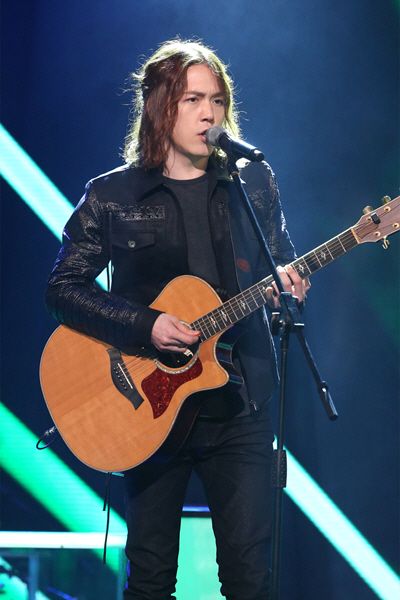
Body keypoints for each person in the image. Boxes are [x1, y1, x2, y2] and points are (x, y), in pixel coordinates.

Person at [45, 39, 310, 600]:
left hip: (239, 403)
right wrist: (146, 326)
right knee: (150, 579)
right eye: (193, 99)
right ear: (157, 106)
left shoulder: (251, 184)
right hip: (148, 407)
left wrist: (290, 286)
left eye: (217, 100)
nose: (209, 113)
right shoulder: (112, 195)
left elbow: (281, 260)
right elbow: (63, 289)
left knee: (249, 579)